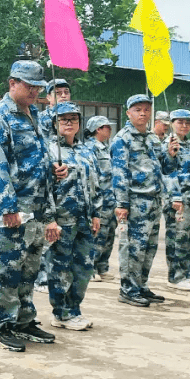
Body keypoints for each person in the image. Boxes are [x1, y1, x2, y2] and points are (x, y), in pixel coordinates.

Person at [0, 61, 65, 352]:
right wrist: (8, 207)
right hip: (14, 208)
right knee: (7, 268)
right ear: (12, 83)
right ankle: (0, 326)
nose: (33, 92)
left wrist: (54, 170)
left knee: (29, 267)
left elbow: (38, 160)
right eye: (28, 86)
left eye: (37, 87)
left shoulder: (35, 115)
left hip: (37, 206)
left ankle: (23, 319)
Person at [111, 95, 180, 307]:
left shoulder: (151, 138)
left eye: (147, 110)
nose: (143, 113)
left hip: (154, 201)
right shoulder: (122, 139)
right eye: (138, 109)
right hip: (135, 202)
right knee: (133, 248)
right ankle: (128, 289)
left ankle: (141, 285)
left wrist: (171, 154)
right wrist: (121, 204)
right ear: (128, 113)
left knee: (149, 248)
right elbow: (119, 174)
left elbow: (165, 168)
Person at [45, 103, 101, 331]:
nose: (69, 123)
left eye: (73, 119)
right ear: (54, 123)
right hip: (62, 220)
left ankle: (74, 309)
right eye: (63, 119)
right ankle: (62, 313)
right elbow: (43, 189)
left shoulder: (86, 151)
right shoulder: (48, 151)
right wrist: (49, 219)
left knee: (84, 268)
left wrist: (96, 213)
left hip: (84, 220)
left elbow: (95, 184)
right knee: (60, 268)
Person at [163, 109, 190, 291]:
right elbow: (167, 172)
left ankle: (186, 274)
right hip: (178, 200)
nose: (184, 125)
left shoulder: (189, 146)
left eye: (188, 122)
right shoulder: (169, 145)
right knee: (177, 238)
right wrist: (175, 196)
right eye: (180, 122)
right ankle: (176, 276)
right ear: (172, 124)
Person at [80, 117, 116, 282]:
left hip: (110, 198)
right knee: (97, 234)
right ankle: (90, 268)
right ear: (98, 129)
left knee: (108, 235)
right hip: (99, 199)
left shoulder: (105, 148)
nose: (110, 130)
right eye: (107, 127)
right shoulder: (90, 148)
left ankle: (102, 267)